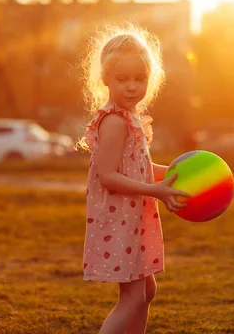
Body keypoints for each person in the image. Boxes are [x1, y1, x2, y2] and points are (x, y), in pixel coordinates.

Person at [77, 24, 190, 334]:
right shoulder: (114, 121)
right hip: (119, 218)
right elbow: (108, 175)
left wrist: (178, 174)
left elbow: (140, 165)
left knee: (146, 292)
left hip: (134, 215)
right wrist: (154, 191)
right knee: (132, 297)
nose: (131, 86)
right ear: (105, 79)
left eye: (139, 78)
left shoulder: (132, 116)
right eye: (122, 79)